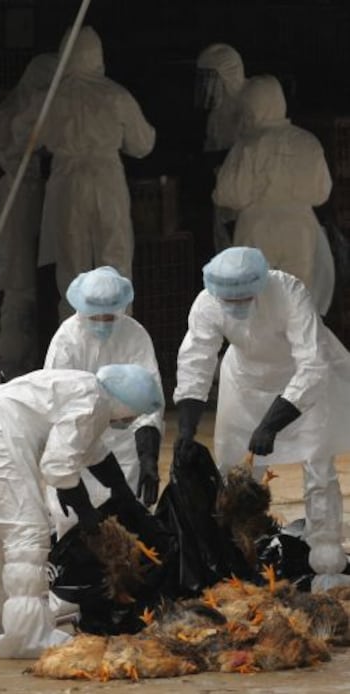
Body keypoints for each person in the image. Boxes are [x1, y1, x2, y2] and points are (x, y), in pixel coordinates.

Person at [0, 364, 164, 658]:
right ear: (126, 404)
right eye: (133, 414)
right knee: (29, 535)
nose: (130, 421)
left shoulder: (86, 390)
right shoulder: (94, 403)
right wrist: (86, 513)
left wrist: (124, 496)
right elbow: (58, 467)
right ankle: (27, 636)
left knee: (2, 536)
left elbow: (93, 454)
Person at [173, 246, 350, 590]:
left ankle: (326, 562)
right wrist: (185, 429)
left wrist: (272, 423)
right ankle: (236, 559)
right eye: (230, 300)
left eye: (244, 299)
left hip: (304, 381)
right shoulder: (207, 302)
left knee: (318, 467)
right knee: (233, 475)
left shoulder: (289, 292)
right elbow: (196, 360)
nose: (237, 306)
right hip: (244, 382)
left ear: (261, 285)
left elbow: (312, 365)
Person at [13, 25, 156, 321]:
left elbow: (21, 135)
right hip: (107, 178)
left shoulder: (49, 97)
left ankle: (76, 346)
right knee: (115, 260)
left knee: (71, 267)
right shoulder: (115, 95)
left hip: (66, 180)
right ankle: (120, 339)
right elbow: (143, 143)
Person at [44, 265, 164, 539]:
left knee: (128, 520)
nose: (101, 322)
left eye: (108, 317)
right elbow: (58, 406)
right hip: (75, 438)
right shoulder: (66, 339)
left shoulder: (135, 335)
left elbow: (148, 398)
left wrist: (148, 456)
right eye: (94, 317)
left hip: (124, 442)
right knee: (74, 522)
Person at [213, 74, 335, 317]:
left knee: (256, 306)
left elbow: (227, 195)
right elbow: (322, 192)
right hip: (300, 230)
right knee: (296, 305)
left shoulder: (247, 145)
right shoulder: (307, 142)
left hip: (256, 229)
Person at [0, 52, 57, 378]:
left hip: (37, 196)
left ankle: (31, 360)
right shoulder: (14, 111)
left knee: (40, 282)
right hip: (19, 196)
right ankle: (11, 365)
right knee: (18, 285)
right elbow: (18, 146)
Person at [194, 43, 247, 258]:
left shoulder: (247, 105)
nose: (207, 86)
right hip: (223, 193)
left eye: (211, 78)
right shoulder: (217, 113)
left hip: (242, 196)